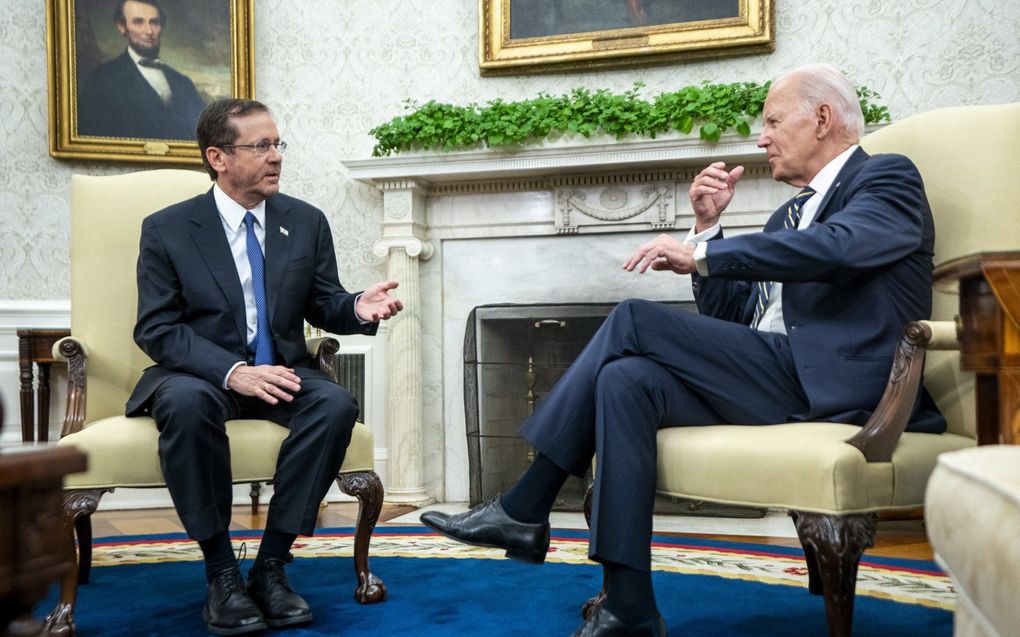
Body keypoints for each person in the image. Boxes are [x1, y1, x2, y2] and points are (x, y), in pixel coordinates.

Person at [421, 63, 945, 637]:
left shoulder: (887, 179)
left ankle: (525, 507)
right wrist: (707, 229)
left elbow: (840, 248)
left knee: (634, 318)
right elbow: (728, 318)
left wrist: (704, 257)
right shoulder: (787, 215)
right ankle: (629, 606)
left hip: (843, 385)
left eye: (772, 121)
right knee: (625, 380)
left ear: (822, 119)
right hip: (779, 375)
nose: (762, 137)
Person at [127, 98, 403, 635]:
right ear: (218, 157)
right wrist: (232, 371)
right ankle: (221, 574)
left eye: (278, 144)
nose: (276, 157)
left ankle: (271, 566)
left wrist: (355, 307)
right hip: (202, 376)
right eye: (261, 146)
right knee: (184, 403)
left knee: (334, 403)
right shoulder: (168, 229)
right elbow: (156, 328)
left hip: (279, 372)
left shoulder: (304, 221)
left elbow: (324, 301)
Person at [77, 0, 206, 140]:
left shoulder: (183, 83)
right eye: (139, 22)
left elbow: (203, 136)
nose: (149, 31)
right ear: (122, 27)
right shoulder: (100, 80)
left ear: (161, 26)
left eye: (154, 22)